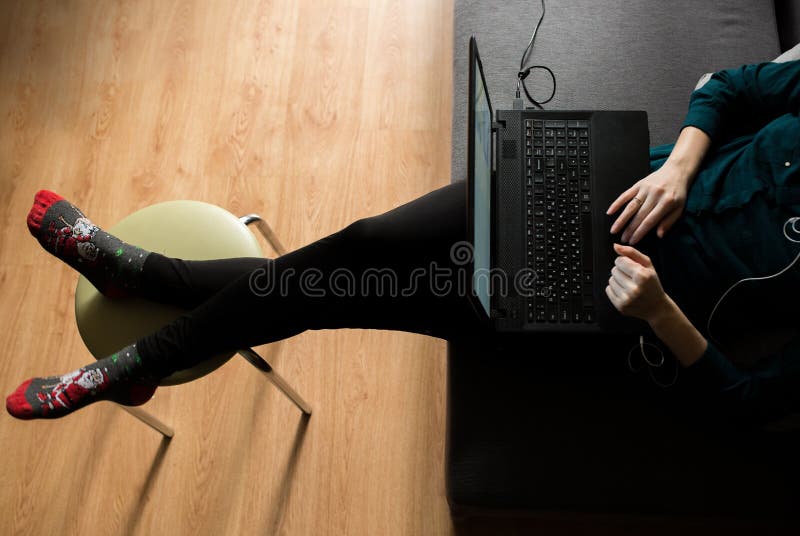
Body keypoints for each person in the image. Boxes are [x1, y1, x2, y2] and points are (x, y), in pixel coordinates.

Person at [6, 59, 800, 424]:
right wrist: (684, 167)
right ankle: (144, 284)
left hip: (610, 308)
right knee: (362, 243)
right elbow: (730, 86)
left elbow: (754, 402)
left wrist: (661, 313)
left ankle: (137, 340)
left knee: (335, 291)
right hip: (594, 182)